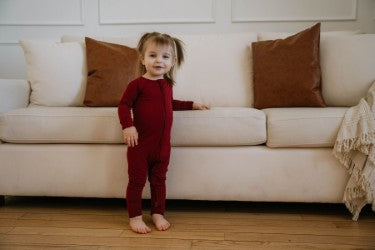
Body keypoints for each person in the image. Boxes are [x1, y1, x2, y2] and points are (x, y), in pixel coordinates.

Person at [118, 32, 210, 234]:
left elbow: (170, 104)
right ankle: (135, 217)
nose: (159, 60)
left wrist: (192, 105)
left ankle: (158, 213)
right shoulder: (137, 85)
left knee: (159, 181)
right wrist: (128, 125)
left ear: (173, 62)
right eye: (152, 55)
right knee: (137, 181)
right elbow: (124, 105)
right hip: (140, 147)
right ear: (142, 59)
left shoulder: (167, 84)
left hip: (162, 148)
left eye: (165, 56)